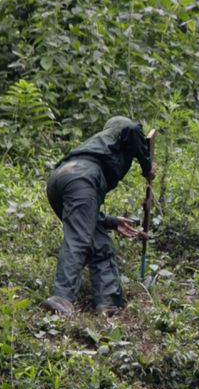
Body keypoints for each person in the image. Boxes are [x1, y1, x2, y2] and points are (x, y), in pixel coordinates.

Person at [42, 116, 154, 317]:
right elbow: (132, 127)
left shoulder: (100, 144)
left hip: (60, 179)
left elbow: (84, 215)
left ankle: (108, 304)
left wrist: (111, 221)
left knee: (99, 241)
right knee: (79, 239)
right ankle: (62, 297)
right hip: (82, 178)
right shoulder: (120, 130)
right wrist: (147, 167)